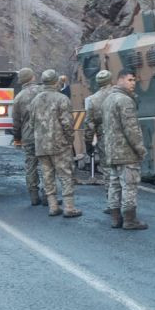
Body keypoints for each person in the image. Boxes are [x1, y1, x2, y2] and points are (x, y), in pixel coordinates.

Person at [101, 68, 147, 230]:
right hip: (126, 152)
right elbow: (131, 129)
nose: (133, 83)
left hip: (112, 151)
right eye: (130, 80)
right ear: (119, 80)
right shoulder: (125, 101)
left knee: (114, 185)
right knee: (129, 185)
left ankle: (115, 218)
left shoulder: (107, 100)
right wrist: (140, 149)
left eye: (134, 80)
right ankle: (129, 219)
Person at [32, 69, 81, 217]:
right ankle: (69, 208)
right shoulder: (62, 99)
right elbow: (67, 123)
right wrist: (70, 140)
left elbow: (31, 123)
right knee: (66, 175)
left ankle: (53, 206)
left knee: (47, 176)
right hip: (60, 145)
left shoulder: (35, 100)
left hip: (41, 145)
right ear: (55, 81)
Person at [82, 70, 115, 211]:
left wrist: (88, 144)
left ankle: (112, 204)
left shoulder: (93, 100)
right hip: (123, 138)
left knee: (108, 171)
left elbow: (89, 125)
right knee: (125, 171)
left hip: (104, 139)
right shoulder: (120, 94)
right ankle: (128, 204)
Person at [11, 67, 44, 205]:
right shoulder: (42, 92)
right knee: (47, 165)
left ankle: (34, 196)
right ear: (32, 78)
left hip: (28, 136)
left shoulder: (18, 98)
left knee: (31, 165)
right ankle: (49, 196)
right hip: (45, 135)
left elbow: (16, 122)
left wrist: (17, 138)